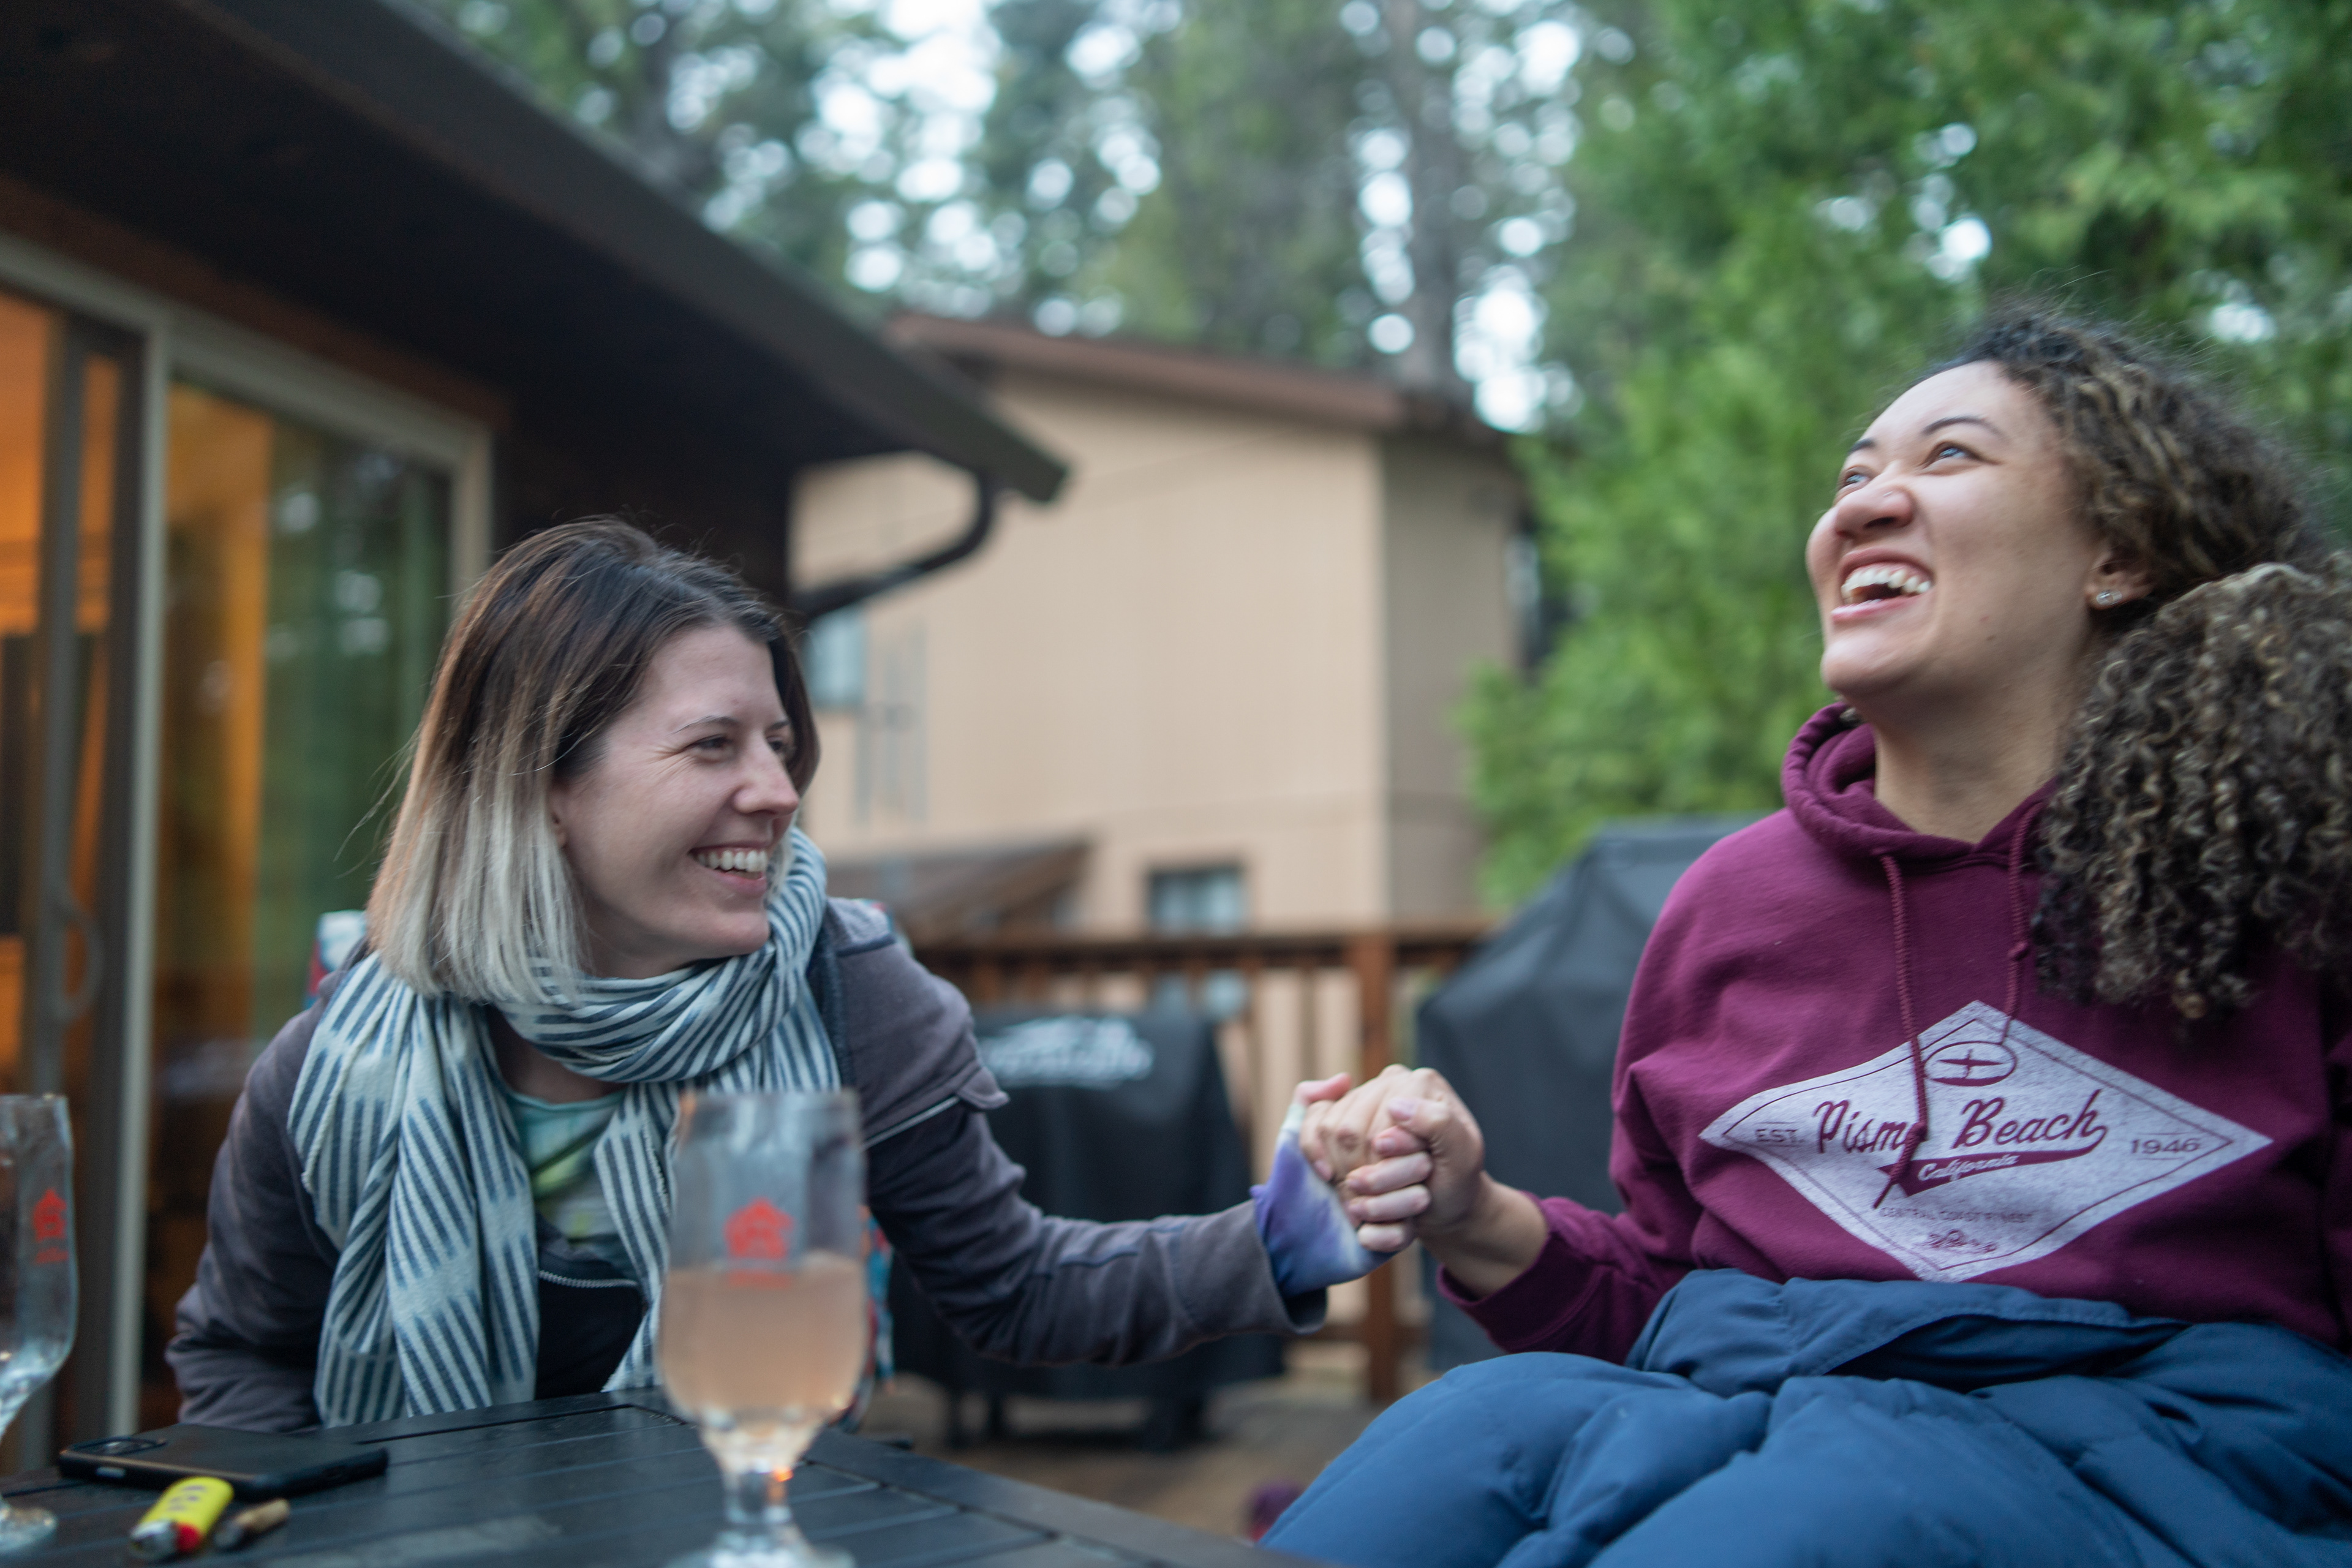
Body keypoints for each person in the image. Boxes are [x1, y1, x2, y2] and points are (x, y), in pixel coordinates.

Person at [1272, 310, 2352, 1567]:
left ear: (2118, 553)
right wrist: (1469, 1210)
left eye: (1951, 456)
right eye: (1852, 477)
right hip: (1761, 1409)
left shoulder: (2284, 887)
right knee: (1466, 1433)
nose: (1864, 505)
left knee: (1834, 1499)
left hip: (2158, 1463)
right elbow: (1666, 1292)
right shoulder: (1733, 906)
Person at [168, 519, 1360, 1431]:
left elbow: (1019, 1287)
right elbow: (244, 1354)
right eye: (712, 745)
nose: (780, 793)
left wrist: (1288, 1235)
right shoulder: (346, 1051)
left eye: (781, 746)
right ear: (542, 784)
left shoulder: (849, 991)